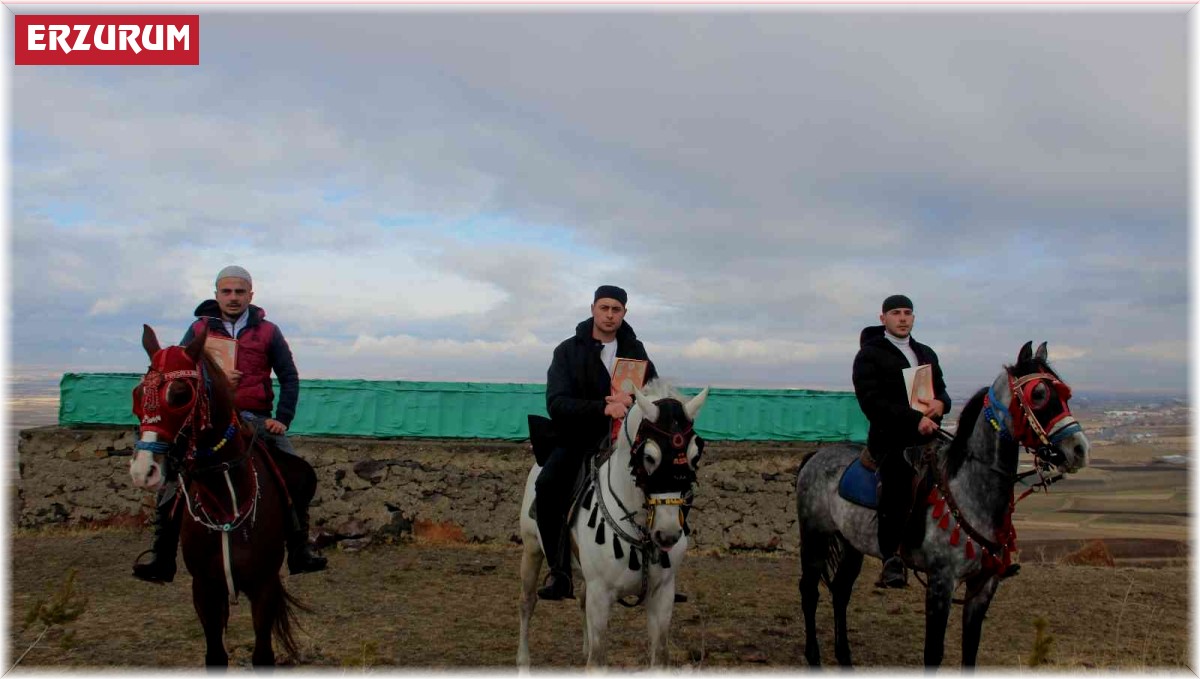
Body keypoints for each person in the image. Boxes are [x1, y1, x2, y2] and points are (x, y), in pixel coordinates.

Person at [132, 265, 327, 583]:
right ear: (216, 294)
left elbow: (289, 376)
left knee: (293, 473)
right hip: (208, 421)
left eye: (240, 291)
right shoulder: (198, 330)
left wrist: (282, 419)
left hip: (256, 418)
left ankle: (298, 550)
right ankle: (162, 556)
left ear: (251, 294)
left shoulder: (268, 331)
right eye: (226, 291)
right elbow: (180, 373)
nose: (233, 297)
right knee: (172, 479)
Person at [535, 285, 657, 601]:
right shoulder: (567, 351)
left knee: (667, 480)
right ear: (593, 309)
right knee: (548, 486)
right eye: (604, 308)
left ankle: (660, 568)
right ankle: (560, 573)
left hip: (626, 442)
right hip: (577, 440)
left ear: (624, 313)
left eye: (616, 309)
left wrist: (634, 401)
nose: (609, 315)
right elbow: (556, 403)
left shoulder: (636, 350)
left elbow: (654, 394)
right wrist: (602, 408)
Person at [852, 294, 951, 588]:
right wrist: (913, 420)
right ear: (883, 318)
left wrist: (941, 405)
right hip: (890, 439)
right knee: (898, 481)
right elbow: (871, 402)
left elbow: (942, 391)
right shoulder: (869, 355)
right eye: (896, 312)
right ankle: (892, 557)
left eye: (908, 312)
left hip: (928, 437)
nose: (903, 317)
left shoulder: (926, 353)